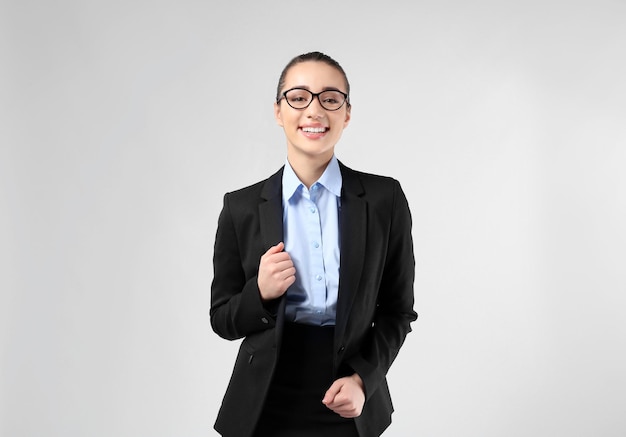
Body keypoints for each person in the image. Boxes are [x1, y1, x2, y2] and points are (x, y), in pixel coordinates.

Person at [210, 51, 417, 437]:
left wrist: (363, 379)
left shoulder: (383, 199)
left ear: (347, 114)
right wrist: (261, 293)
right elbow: (222, 318)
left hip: (347, 399)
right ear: (278, 111)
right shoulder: (240, 208)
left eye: (330, 98)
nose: (314, 110)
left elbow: (398, 311)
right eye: (299, 97)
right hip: (264, 402)